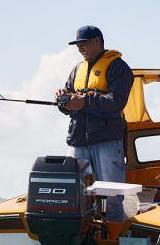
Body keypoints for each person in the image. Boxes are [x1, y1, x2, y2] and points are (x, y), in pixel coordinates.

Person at [55, 25, 134, 221]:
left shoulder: (118, 67)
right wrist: (63, 101)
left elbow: (116, 102)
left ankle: (114, 238)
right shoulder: (76, 70)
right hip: (78, 143)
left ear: (98, 41)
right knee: (79, 194)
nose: (81, 49)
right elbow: (67, 107)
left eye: (84, 44)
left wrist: (84, 101)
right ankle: (82, 237)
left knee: (112, 195)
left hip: (107, 142)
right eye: (78, 46)